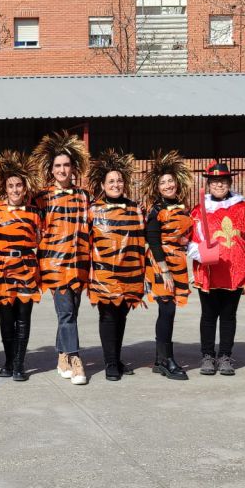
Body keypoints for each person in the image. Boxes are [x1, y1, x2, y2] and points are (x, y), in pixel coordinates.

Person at [31, 130, 91, 385]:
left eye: (66, 165)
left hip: (78, 264)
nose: (62, 170)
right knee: (66, 314)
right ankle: (76, 359)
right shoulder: (42, 198)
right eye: (58, 165)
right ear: (51, 169)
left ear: (73, 168)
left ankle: (62, 355)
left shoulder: (84, 196)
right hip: (54, 266)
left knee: (70, 315)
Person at [85, 150, 146, 382]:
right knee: (109, 317)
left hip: (129, 273)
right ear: (102, 184)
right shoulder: (94, 209)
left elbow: (141, 241)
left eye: (119, 180)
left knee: (121, 317)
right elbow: (86, 243)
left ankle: (116, 358)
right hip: (104, 275)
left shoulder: (135, 208)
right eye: (111, 181)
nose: (116, 184)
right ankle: (110, 363)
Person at [189, 162, 245, 376]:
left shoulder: (243, 208)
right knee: (208, 315)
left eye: (223, 181)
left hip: (234, 270)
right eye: (214, 181)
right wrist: (201, 253)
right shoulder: (199, 210)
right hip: (208, 270)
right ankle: (207, 355)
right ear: (208, 184)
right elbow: (191, 241)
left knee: (228, 315)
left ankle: (225, 355)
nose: (219, 184)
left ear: (229, 183)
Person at [0, 150, 41, 382]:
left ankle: (19, 363)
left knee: (23, 318)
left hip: (27, 267)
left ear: (25, 188)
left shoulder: (35, 213)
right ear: (4, 188)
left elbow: (42, 239)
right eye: (11, 186)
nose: (15, 190)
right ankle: (8, 360)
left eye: (19, 185)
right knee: (6, 320)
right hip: (0, 268)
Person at [143, 150, 195, 381]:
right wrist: (164, 270)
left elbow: (184, 233)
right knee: (167, 310)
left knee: (169, 311)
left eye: (170, 181)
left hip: (178, 261)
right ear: (157, 187)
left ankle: (159, 360)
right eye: (163, 182)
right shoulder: (156, 210)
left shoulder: (181, 207)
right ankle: (166, 360)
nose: (167, 185)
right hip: (160, 263)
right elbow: (153, 241)